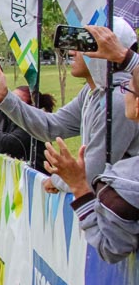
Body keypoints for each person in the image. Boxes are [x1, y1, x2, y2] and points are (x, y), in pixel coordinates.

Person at [0, 18, 139, 193]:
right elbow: (50, 126)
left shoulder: (118, 98)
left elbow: (91, 172)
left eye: (81, 45)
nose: (71, 53)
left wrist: (59, 181)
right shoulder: (93, 92)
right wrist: (3, 97)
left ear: (103, 50)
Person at [44, 64, 139, 264]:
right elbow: (51, 124)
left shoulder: (125, 184)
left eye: (126, 88)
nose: (121, 94)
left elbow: (111, 249)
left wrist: (78, 186)